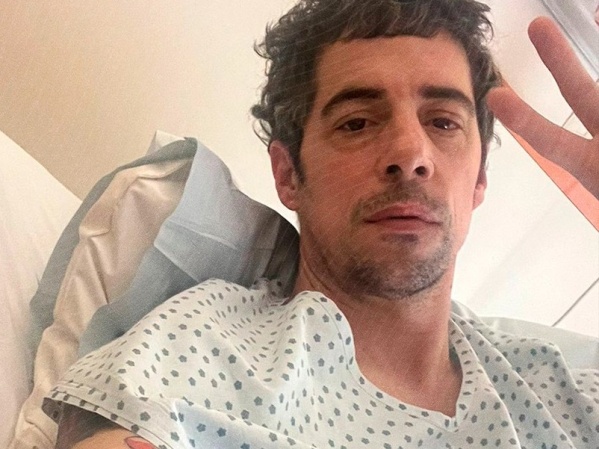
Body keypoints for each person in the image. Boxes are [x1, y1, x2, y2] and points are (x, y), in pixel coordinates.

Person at [49, 1, 599, 448]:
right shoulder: (201, 350)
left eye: (443, 122)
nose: (411, 153)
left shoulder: (561, 391)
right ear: (288, 175)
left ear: (478, 179)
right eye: (357, 123)